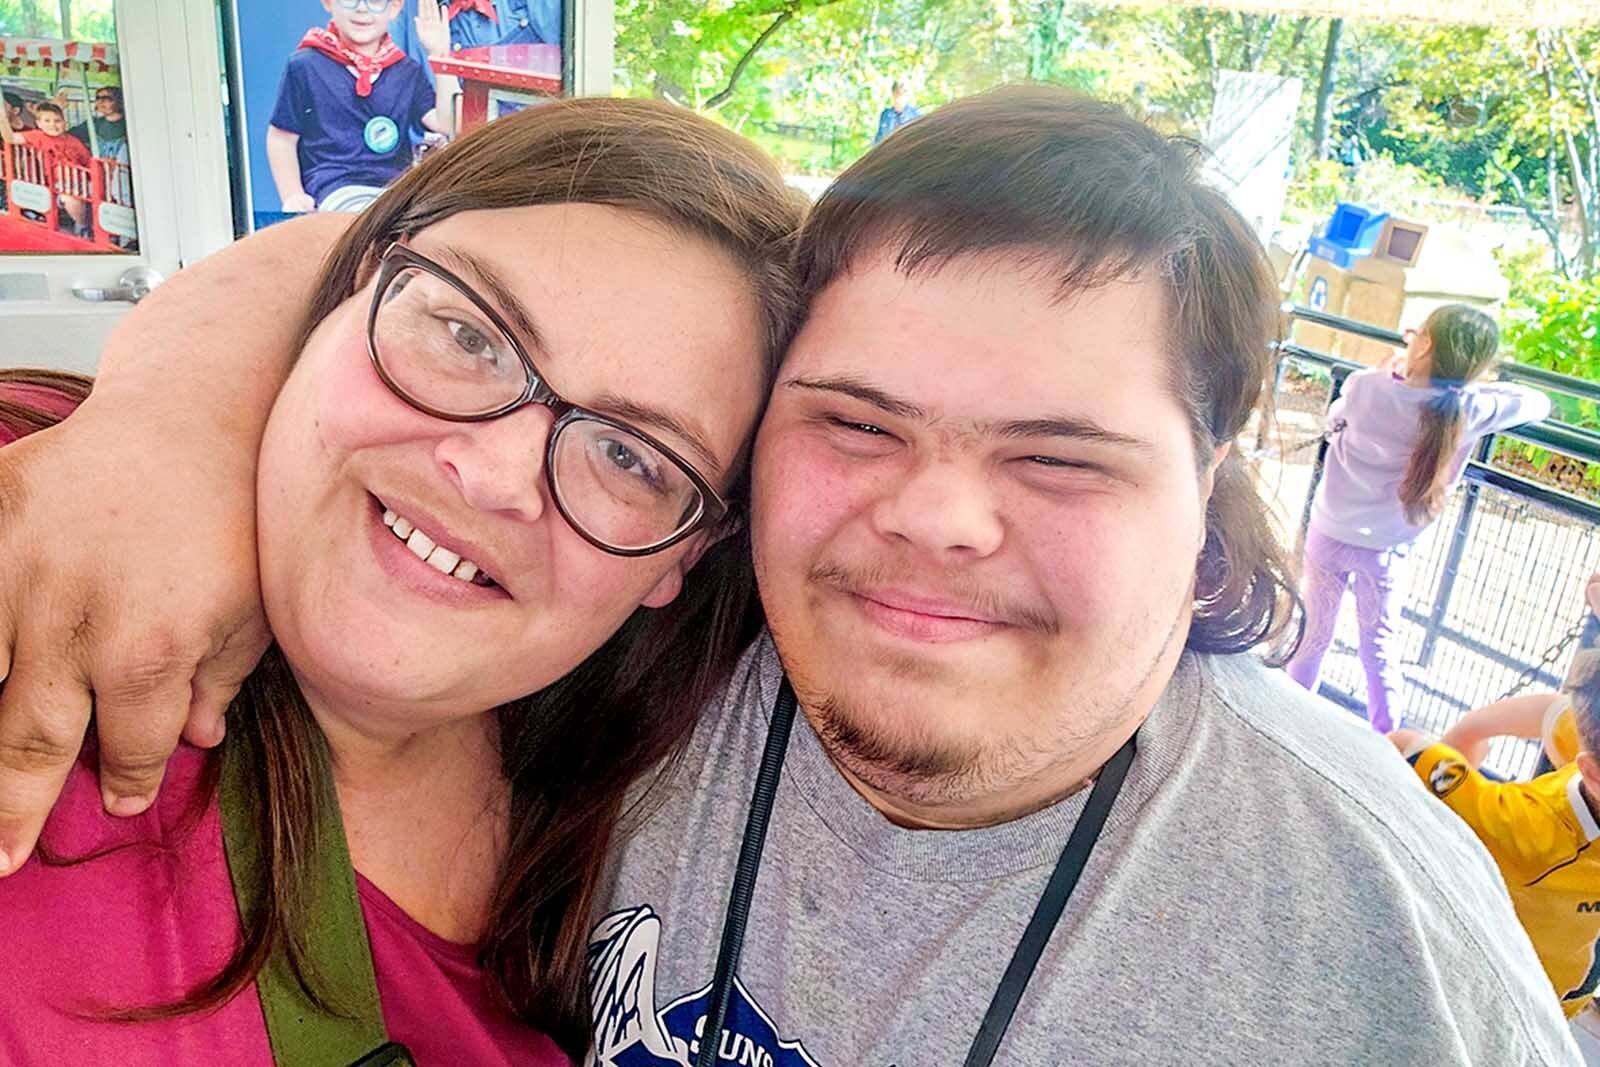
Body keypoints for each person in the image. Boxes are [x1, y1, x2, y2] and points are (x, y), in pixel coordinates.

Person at [0, 88, 1581, 1063]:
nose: (935, 519)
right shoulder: (667, 660)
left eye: (1061, 456)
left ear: (1213, 483)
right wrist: (172, 413)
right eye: (855, 421)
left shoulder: (1380, 944)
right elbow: (419, 264)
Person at [0, 96, 803, 1065]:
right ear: (360, 285)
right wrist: (175, 419)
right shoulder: (50, 516)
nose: (497, 474)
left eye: (630, 456)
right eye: (468, 335)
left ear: (681, 557)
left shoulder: (647, 839)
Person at [1285, 304, 1553, 732]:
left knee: (1316, 632)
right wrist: (1472, 389)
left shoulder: (1364, 387)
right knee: (1379, 647)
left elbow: (1335, 418)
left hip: (1329, 532)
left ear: (1424, 343)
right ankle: (1389, 741)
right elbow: (1539, 402)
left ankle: (1291, 722)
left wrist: (1392, 374)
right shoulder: (1467, 410)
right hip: (1386, 550)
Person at [1390, 572, 1600, 1020]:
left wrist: (1469, 732)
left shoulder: (1522, 824)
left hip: (1518, 997)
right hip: (1531, 999)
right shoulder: (1527, 826)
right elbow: (1560, 715)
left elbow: (1404, 745)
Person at [268, 0, 457, 214]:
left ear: (394, 8)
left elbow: (446, 123)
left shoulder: (407, 71)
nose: (362, 8)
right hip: (334, 189)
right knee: (369, 225)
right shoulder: (305, 66)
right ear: (329, 3)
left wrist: (441, 56)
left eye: (375, 1)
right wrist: (293, 195)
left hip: (395, 190)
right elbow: (281, 138)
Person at [0, 101, 92, 236]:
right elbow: (10, 138)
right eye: (47, 121)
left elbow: (87, 161)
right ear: (39, 124)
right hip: (58, 184)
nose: (53, 125)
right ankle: (82, 226)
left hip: (80, 180)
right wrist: (2, 120)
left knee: (101, 193)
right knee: (71, 199)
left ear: (65, 122)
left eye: (57, 121)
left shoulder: (74, 141)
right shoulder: (37, 136)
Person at [68, 84, 128, 158]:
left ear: (118, 101)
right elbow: (68, 136)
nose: (100, 101)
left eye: (106, 98)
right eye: (98, 98)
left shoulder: (128, 123)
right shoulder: (93, 123)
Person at [872, 78, 920, 143]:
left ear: (907, 95)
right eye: (896, 93)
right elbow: (879, 139)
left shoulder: (916, 115)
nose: (898, 97)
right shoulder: (885, 115)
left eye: (902, 93)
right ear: (893, 94)